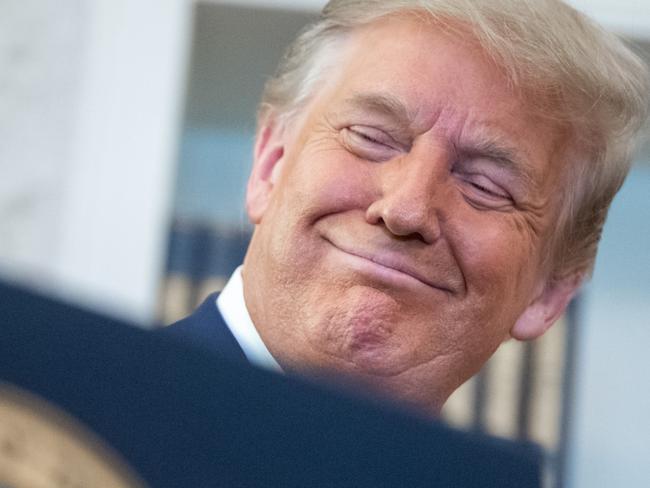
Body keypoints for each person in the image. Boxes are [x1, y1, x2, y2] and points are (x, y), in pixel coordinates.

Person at [165, 0, 649, 415]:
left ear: (549, 295)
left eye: (486, 185)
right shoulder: (94, 426)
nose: (407, 210)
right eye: (371, 137)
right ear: (271, 165)